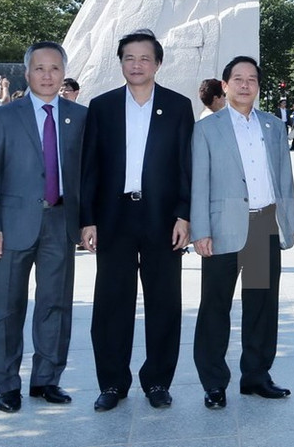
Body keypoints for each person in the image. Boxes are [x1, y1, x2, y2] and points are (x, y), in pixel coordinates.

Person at [80, 29, 194, 411]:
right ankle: (112, 383)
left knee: (164, 302)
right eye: (129, 58)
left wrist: (184, 214)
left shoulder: (178, 107)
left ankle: (158, 381)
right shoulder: (103, 106)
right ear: (121, 62)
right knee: (112, 302)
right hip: (114, 217)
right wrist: (87, 219)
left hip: (162, 218)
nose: (137, 65)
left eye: (145, 58)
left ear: (158, 63)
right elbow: (90, 168)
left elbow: (186, 168)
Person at [0, 42, 87, 413]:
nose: (47, 75)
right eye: (39, 68)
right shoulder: (6, 117)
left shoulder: (79, 117)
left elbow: (87, 177)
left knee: (55, 304)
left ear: (63, 73)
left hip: (60, 222)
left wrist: (88, 222)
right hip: (12, 226)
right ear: (27, 73)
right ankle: (7, 385)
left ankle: (46, 379)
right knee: (7, 308)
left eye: (54, 68)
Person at [191, 56, 294, 408]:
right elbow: (198, 183)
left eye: (252, 78)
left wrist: (289, 223)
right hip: (223, 227)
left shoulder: (271, 126)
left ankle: (256, 376)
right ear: (224, 85)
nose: (244, 84)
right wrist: (200, 231)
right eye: (237, 78)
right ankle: (213, 382)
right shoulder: (207, 128)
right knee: (215, 306)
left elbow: (284, 177)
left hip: (265, 223)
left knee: (262, 305)